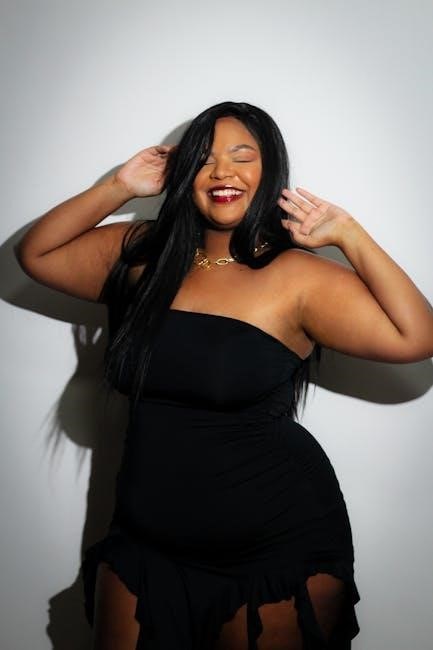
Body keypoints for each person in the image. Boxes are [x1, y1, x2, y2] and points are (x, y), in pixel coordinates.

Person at [15, 101, 433, 650]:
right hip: (143, 544)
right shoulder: (142, 254)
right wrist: (118, 186)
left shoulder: (297, 277)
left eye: (242, 156)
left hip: (272, 549)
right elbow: (36, 254)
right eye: (205, 158)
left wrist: (350, 235)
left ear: (269, 171)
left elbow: (417, 336)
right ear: (184, 171)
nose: (222, 172)